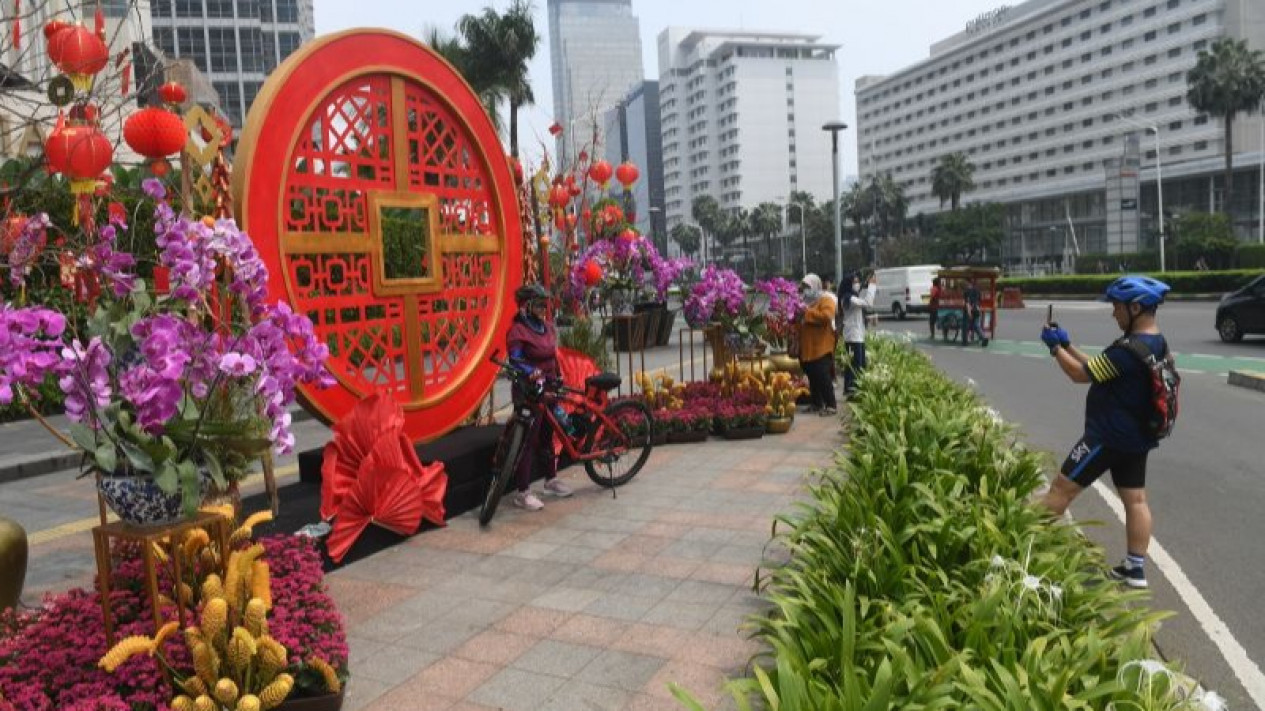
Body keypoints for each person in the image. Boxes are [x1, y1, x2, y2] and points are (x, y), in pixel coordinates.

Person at [1038, 275, 1171, 589]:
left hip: (1107, 438)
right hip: (1137, 437)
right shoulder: (1154, 343)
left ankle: (1021, 547)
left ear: (1135, 307)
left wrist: (1055, 349)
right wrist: (1068, 344)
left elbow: (1079, 374)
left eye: (1117, 306)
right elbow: (1101, 368)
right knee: (1136, 500)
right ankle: (1134, 569)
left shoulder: (1125, 352)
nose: (1114, 313)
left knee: (1060, 489)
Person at [505, 284, 573, 511]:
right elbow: (515, 359)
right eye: (539, 304)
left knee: (547, 434)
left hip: (550, 388)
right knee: (528, 439)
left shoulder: (548, 328)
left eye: (545, 304)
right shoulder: (517, 331)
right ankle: (522, 492)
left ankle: (550, 480)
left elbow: (553, 358)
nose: (544, 308)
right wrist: (529, 373)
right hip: (529, 391)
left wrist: (559, 377)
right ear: (526, 305)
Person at [796, 274, 838, 415]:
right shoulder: (804, 302)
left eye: (808, 287)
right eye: (803, 287)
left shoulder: (826, 299)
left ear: (816, 286)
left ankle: (831, 405)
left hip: (821, 346)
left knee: (822, 376)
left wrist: (806, 313)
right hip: (807, 347)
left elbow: (827, 316)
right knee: (812, 375)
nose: (805, 290)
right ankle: (816, 403)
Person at [839, 271, 877, 398]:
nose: (857, 284)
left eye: (857, 281)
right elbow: (868, 303)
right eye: (854, 282)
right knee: (856, 365)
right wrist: (872, 286)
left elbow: (857, 314)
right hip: (853, 337)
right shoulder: (848, 298)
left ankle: (853, 390)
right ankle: (852, 390)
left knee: (858, 365)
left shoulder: (851, 297)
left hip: (857, 335)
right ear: (848, 284)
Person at [962, 278, 989, 347]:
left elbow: (967, 303)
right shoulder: (977, 290)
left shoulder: (966, 292)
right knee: (976, 325)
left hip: (970, 310)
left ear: (968, 283)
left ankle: (966, 341)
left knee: (966, 326)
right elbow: (979, 301)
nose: (964, 284)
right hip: (977, 310)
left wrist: (969, 313)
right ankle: (983, 337)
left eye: (965, 283)